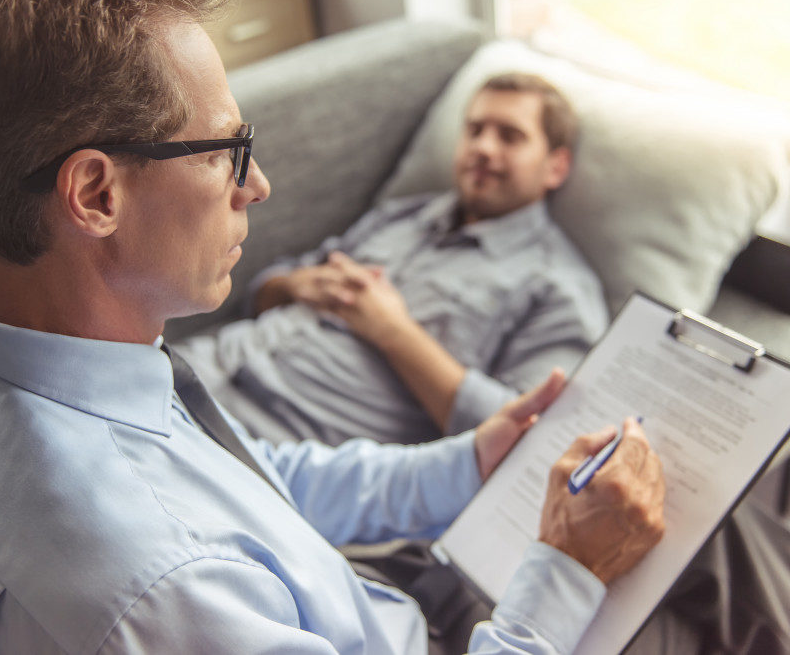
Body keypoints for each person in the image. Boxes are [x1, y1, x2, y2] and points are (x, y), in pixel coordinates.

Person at [0, 0, 667, 652]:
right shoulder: (169, 587)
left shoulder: (15, 376)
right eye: (228, 149)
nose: (259, 187)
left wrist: (467, 462)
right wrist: (567, 572)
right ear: (97, 195)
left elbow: (257, 486)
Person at [178, 71, 608, 446]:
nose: (483, 147)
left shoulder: (559, 289)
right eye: (474, 130)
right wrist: (295, 285)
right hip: (196, 364)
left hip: (270, 436)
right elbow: (256, 296)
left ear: (556, 166)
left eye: (509, 136)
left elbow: (527, 435)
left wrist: (396, 333)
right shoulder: (403, 214)